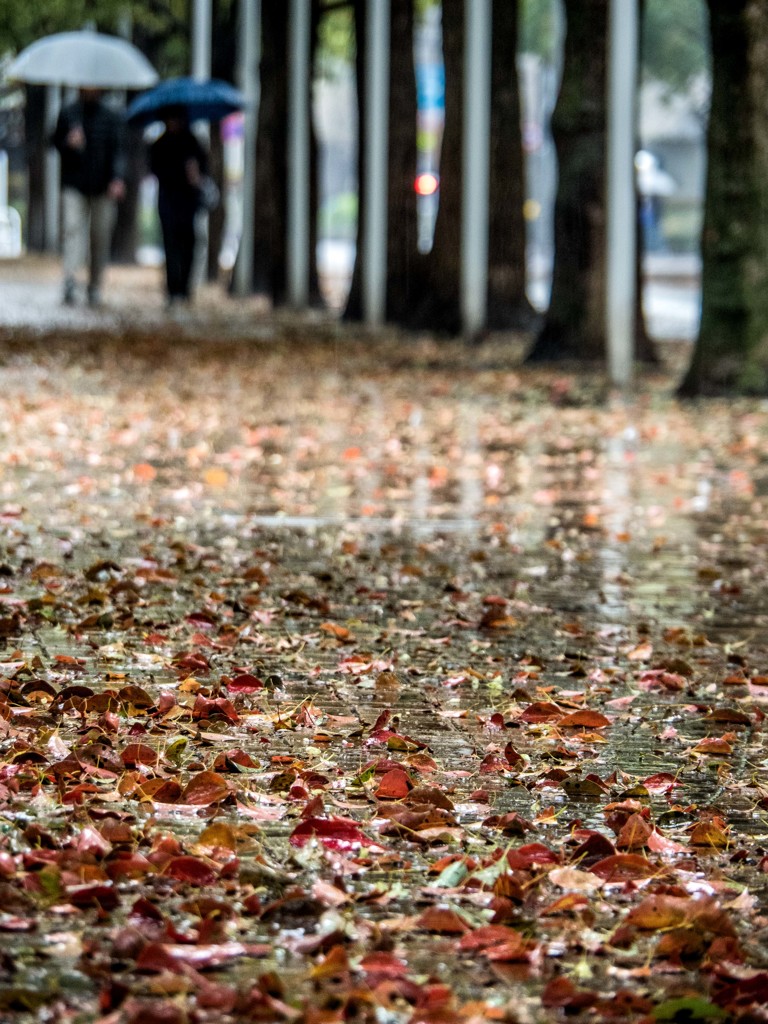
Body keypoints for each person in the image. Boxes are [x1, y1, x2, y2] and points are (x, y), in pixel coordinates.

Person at [51, 88, 126, 307]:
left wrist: (117, 178)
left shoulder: (111, 117)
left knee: (100, 235)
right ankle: (70, 280)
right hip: (74, 184)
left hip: (103, 187)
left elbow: (118, 150)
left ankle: (94, 284)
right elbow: (54, 142)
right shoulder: (67, 113)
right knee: (72, 229)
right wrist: (68, 143)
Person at [149, 106, 208, 308]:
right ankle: (173, 289)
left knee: (189, 244)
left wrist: (196, 175)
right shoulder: (159, 144)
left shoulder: (193, 143)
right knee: (171, 245)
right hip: (168, 201)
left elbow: (204, 169)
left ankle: (185, 287)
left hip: (188, 202)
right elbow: (155, 169)